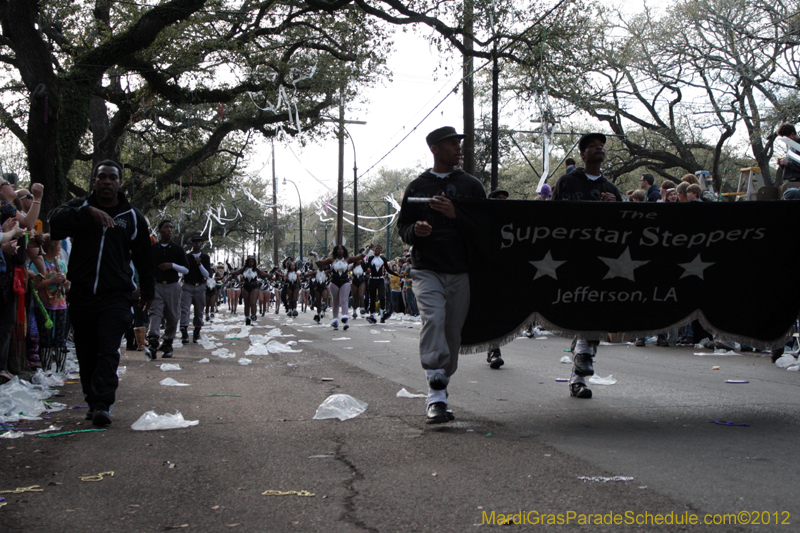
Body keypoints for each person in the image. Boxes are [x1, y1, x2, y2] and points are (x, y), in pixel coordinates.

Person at [48, 160, 154, 426]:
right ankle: (92, 398)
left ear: (120, 183)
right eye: (101, 177)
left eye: (112, 178)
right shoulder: (78, 207)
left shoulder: (132, 217)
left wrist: (148, 291)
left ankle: (103, 404)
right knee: (87, 351)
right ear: (94, 181)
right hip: (82, 295)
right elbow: (55, 223)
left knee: (108, 350)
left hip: (115, 296)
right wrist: (88, 214)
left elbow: (143, 257)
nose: (106, 181)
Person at [397, 126, 486, 424]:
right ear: (434, 149)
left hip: (460, 269)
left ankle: (441, 387)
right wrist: (416, 232)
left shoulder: (471, 186)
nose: (457, 148)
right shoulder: (417, 186)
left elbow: (485, 227)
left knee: (451, 334)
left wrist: (455, 215)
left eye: (458, 143)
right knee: (433, 319)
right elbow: (404, 229)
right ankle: (434, 395)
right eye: (451, 144)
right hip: (426, 268)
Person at [552, 133, 621, 399]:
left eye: (601, 146)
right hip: (574, 255)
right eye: (592, 146)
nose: (598, 149)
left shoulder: (611, 188)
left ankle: (579, 373)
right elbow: (553, 217)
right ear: (582, 154)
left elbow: (624, 226)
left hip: (603, 259)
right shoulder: (567, 182)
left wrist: (614, 208)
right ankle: (581, 353)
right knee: (582, 306)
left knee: (596, 307)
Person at [146, 220, 188, 360]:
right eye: (166, 227)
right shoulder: (152, 249)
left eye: (171, 227)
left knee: (172, 316)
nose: (169, 230)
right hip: (156, 285)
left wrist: (172, 265)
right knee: (155, 312)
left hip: (172, 285)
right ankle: (153, 340)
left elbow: (186, 269)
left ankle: (168, 342)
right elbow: (146, 269)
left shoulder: (177, 249)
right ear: (159, 230)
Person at [316, 244, 363, 331]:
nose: (340, 250)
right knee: (335, 302)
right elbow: (319, 263)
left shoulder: (348, 259)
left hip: (345, 281)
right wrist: (315, 255)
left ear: (344, 251)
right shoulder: (331, 260)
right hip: (334, 282)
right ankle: (335, 321)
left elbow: (360, 256)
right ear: (336, 251)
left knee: (344, 300)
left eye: (342, 249)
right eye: (338, 249)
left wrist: (368, 249)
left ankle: (346, 321)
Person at [180, 235, 211, 343]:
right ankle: (184, 331)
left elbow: (206, 274)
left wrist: (199, 264)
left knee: (199, 311)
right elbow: (184, 271)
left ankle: (197, 331)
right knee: (185, 309)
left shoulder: (205, 257)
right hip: (188, 285)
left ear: (201, 243)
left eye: (199, 241)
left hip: (200, 286)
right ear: (192, 244)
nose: (197, 243)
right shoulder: (187, 257)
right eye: (195, 241)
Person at [229, 256, 267, 325]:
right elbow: (234, 273)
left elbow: (266, 275)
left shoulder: (256, 270)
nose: (251, 263)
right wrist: (229, 267)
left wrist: (274, 270)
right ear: (247, 262)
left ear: (254, 262)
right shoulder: (243, 270)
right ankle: (247, 317)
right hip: (246, 286)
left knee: (253, 303)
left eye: (252, 262)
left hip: (254, 286)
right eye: (249, 262)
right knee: (246, 304)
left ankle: (253, 316)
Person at [365, 244, 391, 324]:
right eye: (376, 248)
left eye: (379, 249)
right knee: (372, 297)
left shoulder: (383, 259)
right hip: (372, 279)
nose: (377, 250)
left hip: (380, 279)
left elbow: (387, 268)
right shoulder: (371, 258)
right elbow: (365, 266)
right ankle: (372, 315)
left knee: (382, 296)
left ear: (381, 250)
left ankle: (382, 314)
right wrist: (367, 270)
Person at [777, 124, 800, 199]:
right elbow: (791, 168)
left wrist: (788, 163)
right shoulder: (791, 147)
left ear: (792, 134)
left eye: (786, 138)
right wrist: (782, 164)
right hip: (791, 182)